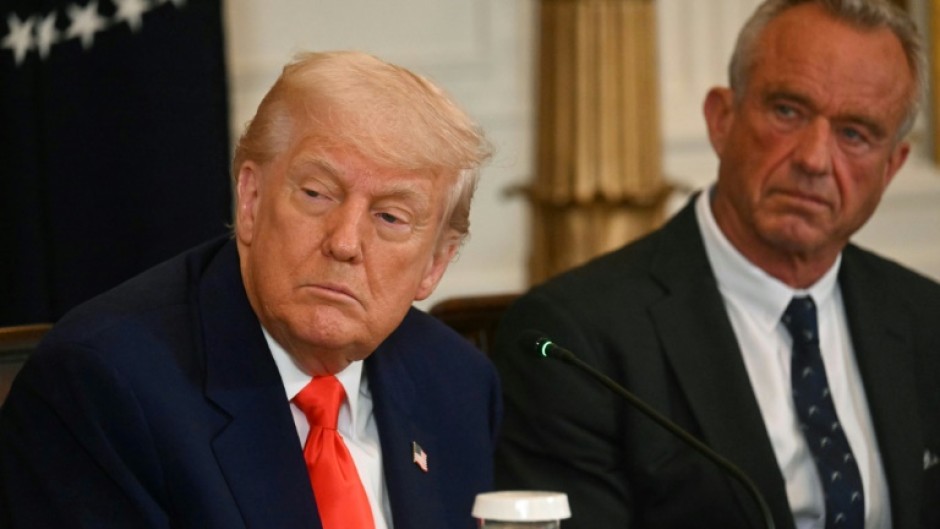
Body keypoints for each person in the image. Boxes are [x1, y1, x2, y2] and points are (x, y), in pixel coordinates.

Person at [0, 51, 500, 529]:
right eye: (317, 193)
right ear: (252, 199)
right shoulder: (104, 386)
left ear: (435, 263)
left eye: (390, 217)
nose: (345, 242)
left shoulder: (458, 384)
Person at [493, 1, 940, 528]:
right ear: (722, 119)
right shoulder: (579, 339)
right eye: (787, 111)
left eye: (855, 134)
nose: (814, 159)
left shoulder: (925, 319)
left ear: (891, 167)